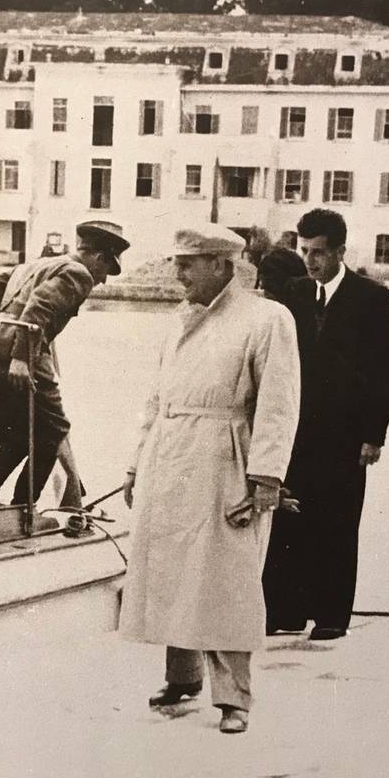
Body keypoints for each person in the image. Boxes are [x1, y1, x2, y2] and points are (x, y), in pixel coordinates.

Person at [120, 224, 300, 735]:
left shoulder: (266, 319)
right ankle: (183, 679)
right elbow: (158, 398)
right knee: (176, 571)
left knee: (226, 579)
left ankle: (235, 698)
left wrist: (265, 477)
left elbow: (279, 404)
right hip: (170, 456)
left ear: (222, 265)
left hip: (225, 459)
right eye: (178, 262)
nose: (178, 274)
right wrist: (137, 462)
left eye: (188, 263)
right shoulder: (179, 320)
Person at [0, 221, 130, 507]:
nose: (104, 279)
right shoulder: (79, 274)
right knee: (53, 430)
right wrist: (20, 358)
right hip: (15, 358)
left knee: (22, 430)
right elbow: (39, 307)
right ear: (99, 257)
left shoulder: (37, 264)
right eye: (107, 269)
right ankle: (22, 508)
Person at [263, 209, 389, 640]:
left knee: (338, 522)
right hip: (297, 432)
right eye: (304, 251)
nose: (310, 260)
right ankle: (285, 611)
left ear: (340, 251)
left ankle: (331, 616)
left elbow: (385, 373)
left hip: (345, 436)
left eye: (318, 252)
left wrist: (373, 436)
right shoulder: (294, 294)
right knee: (289, 518)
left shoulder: (371, 297)